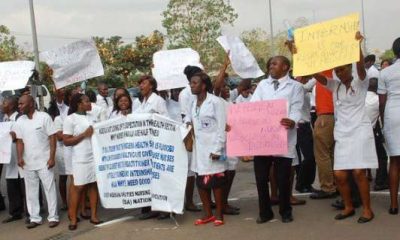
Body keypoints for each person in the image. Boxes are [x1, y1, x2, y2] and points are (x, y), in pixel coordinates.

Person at [313, 32, 377, 223]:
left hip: (360, 131)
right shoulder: (335, 86)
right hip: (343, 133)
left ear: (349, 68)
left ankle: (367, 210)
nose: (339, 73)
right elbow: (318, 77)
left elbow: (360, 67)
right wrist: (300, 57)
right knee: (340, 175)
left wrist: (357, 45)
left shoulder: (361, 82)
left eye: (342, 69)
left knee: (358, 172)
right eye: (337, 70)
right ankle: (348, 206)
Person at [250, 56, 304, 224]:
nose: (270, 66)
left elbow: (297, 108)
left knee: (283, 178)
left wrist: (293, 120)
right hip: (263, 139)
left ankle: (285, 210)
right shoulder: (262, 85)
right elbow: (253, 106)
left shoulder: (295, 87)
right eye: (269, 64)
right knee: (261, 178)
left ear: (285, 67)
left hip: (283, 138)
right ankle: (265, 212)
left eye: (274, 63)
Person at [187, 72, 227, 226]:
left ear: (204, 85)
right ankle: (208, 213)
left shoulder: (215, 102)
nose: (192, 85)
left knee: (216, 181)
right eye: (191, 83)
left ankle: (219, 214)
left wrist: (218, 149)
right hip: (199, 150)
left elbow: (222, 126)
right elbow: (191, 119)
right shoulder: (193, 103)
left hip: (213, 147)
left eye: (195, 83)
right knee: (201, 181)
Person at [14, 95, 59, 229]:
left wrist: (51, 157)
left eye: (22, 104)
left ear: (31, 104)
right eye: (19, 104)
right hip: (28, 163)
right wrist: (20, 157)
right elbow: (20, 141)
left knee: (49, 189)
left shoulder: (44, 117)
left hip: (45, 161)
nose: (19, 106)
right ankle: (35, 218)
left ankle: (53, 217)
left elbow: (52, 138)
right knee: (31, 192)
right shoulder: (20, 121)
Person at [63, 93, 102, 230]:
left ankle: (94, 215)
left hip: (94, 157)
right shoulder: (70, 119)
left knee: (93, 185)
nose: (90, 103)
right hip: (80, 158)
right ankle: (73, 218)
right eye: (86, 101)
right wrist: (83, 135)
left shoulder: (93, 117)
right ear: (79, 104)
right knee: (78, 187)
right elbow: (66, 141)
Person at [378, 37, 400, 215]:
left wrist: (384, 123)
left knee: (394, 161)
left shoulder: (385, 73)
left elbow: (382, 101)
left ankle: (393, 205)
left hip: (393, 114)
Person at [180, 66, 203, 213]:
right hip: (191, 134)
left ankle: (207, 199)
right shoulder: (185, 93)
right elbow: (185, 115)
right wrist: (191, 134)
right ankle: (189, 201)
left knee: (204, 169)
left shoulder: (203, 91)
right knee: (190, 171)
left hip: (204, 134)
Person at [1, 96, 27, 223]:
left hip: (20, 155)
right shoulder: (4, 119)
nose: (1, 104)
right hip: (9, 157)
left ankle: (31, 212)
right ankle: (15, 211)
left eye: (4, 103)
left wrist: (15, 137)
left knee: (26, 184)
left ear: (11, 106)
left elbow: (24, 135)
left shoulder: (19, 118)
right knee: (12, 185)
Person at [365, 78, 388, 191]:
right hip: (370, 131)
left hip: (357, 130)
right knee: (382, 156)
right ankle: (380, 182)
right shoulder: (377, 100)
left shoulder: (361, 97)